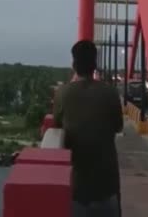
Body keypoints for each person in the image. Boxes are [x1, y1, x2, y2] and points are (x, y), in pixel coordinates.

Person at [54, 40, 125, 217]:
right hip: (106, 185)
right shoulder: (110, 93)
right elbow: (118, 126)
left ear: (74, 64)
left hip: (77, 186)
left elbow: (56, 125)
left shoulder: (63, 93)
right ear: (95, 65)